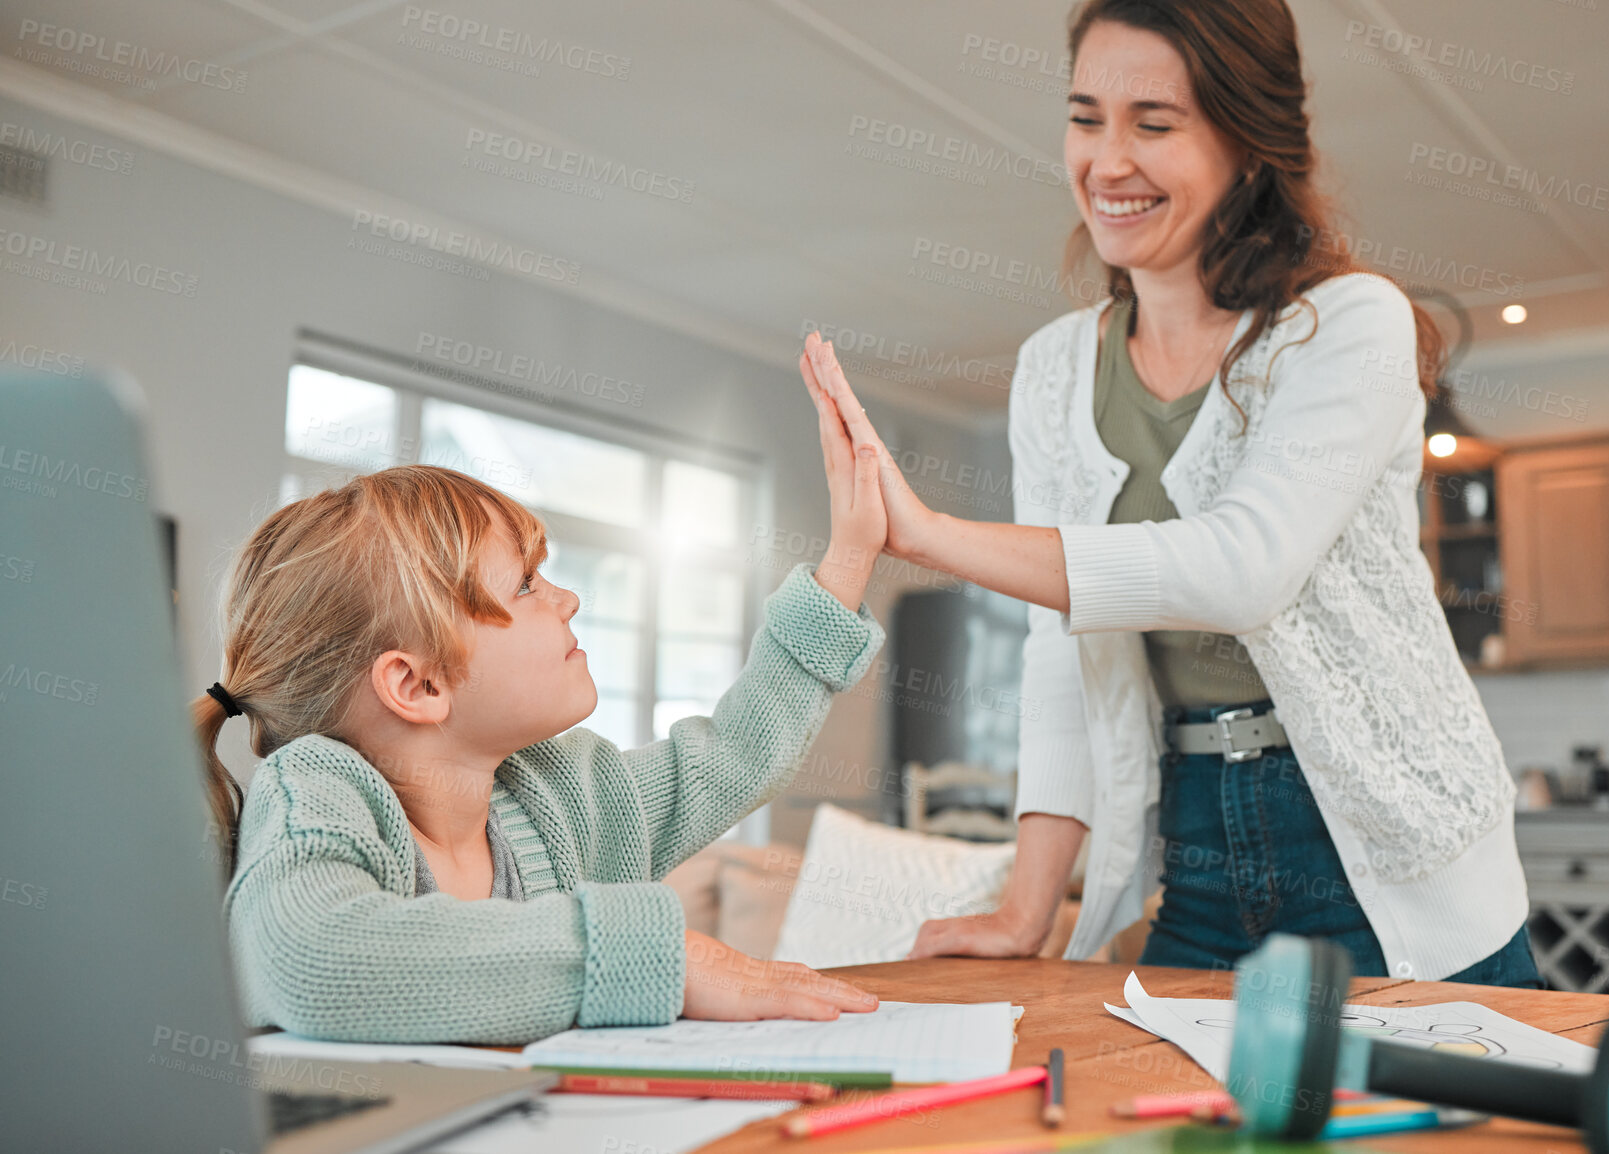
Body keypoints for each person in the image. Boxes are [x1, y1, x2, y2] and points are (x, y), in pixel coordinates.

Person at [796, 0, 1538, 986]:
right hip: (1191, 839)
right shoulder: (1054, 369)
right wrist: (1026, 906)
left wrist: (928, 535)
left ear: (1249, 138)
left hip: (1380, 844)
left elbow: (1242, 570)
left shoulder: (1350, 325)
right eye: (1085, 116)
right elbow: (1063, 653)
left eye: (1153, 123)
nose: (1107, 162)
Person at [199, 367, 888, 1042]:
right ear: (419, 686)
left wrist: (851, 556)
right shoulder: (314, 791)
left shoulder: (567, 796)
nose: (568, 599)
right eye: (527, 584)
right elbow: (312, 957)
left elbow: (736, 754)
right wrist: (658, 960)